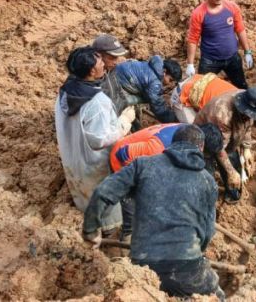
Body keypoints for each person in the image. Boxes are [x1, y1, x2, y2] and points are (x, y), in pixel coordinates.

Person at [82, 125, 225, 300]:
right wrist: (193, 252)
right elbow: (208, 231)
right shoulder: (208, 181)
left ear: (173, 143)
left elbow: (103, 192)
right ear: (201, 148)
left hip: (144, 266)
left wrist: (90, 231)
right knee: (217, 296)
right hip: (187, 268)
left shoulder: (143, 164)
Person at [55, 47, 134, 231]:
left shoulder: (65, 92)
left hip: (73, 158)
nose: (104, 65)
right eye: (100, 63)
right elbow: (99, 140)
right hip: (95, 164)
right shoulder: (97, 102)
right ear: (91, 71)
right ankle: (109, 231)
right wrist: (123, 123)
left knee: (84, 194)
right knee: (108, 207)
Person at [195, 87, 256, 202]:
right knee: (207, 174)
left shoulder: (248, 99)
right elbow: (218, 147)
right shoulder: (222, 115)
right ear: (243, 109)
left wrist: (246, 148)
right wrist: (230, 172)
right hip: (207, 140)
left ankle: (232, 194)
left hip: (227, 136)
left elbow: (248, 124)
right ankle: (208, 200)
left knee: (234, 165)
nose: (251, 118)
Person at [92, 34, 182, 125]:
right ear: (165, 71)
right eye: (170, 80)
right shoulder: (155, 82)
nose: (116, 62)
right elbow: (158, 106)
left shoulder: (151, 67)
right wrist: (174, 121)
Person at [186, 0, 252, 89]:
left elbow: (240, 29)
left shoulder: (231, 7)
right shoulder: (199, 13)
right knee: (202, 90)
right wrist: (190, 64)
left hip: (232, 58)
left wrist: (247, 52)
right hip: (210, 60)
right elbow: (193, 39)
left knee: (241, 88)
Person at [171, 74, 238, 123]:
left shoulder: (241, 94)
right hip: (182, 95)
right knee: (195, 131)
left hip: (198, 81)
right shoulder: (219, 112)